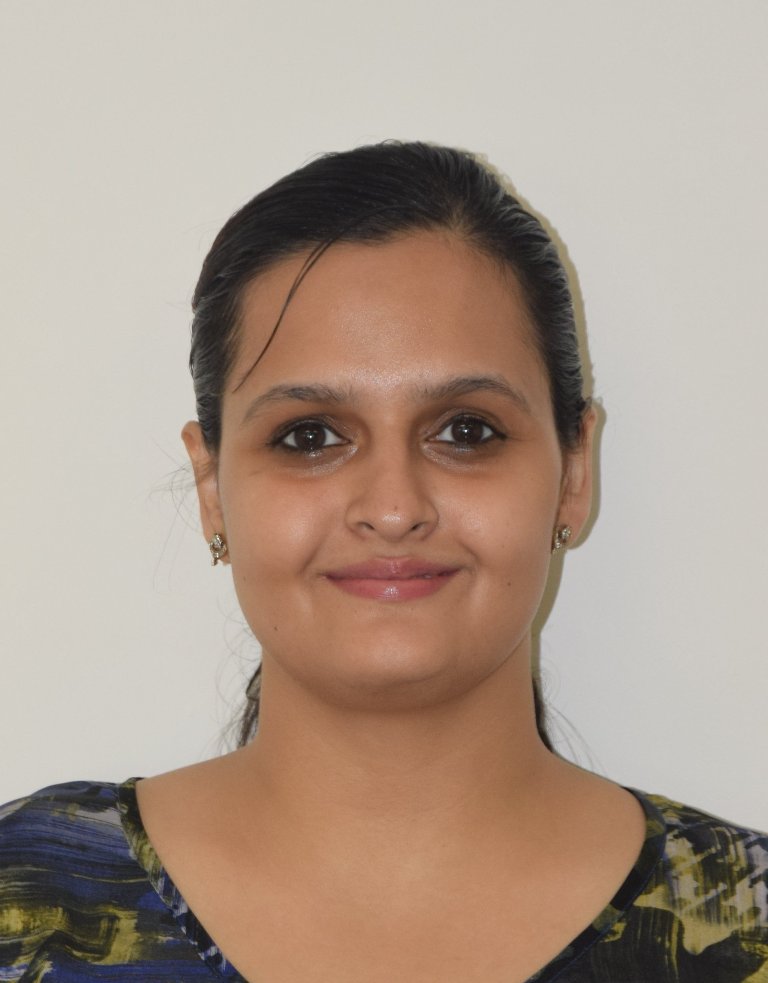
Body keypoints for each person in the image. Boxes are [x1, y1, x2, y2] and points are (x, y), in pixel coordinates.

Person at [1, 142, 766, 983]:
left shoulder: (749, 926)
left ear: (573, 471)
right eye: (310, 436)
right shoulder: (27, 902)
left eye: (467, 430)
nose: (394, 507)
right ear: (213, 488)